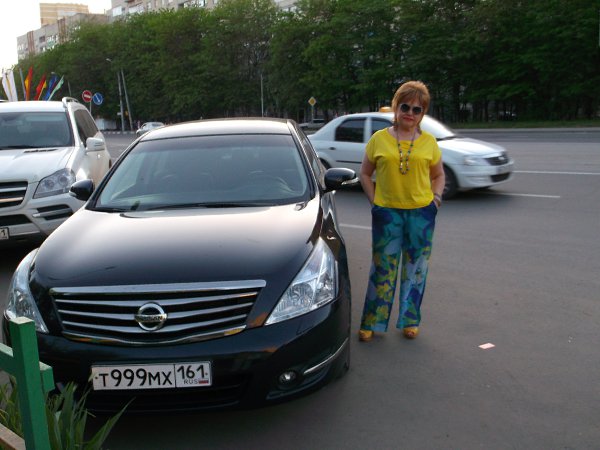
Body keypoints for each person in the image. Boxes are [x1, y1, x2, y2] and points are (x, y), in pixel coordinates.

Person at [358, 80, 445, 342]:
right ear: (396, 107)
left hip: (421, 214)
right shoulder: (379, 139)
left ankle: (410, 320)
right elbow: (365, 173)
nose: (410, 113)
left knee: (416, 268)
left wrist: (436, 200)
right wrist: (375, 202)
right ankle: (372, 322)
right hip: (388, 215)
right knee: (382, 269)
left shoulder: (429, 142)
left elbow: (439, 175)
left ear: (423, 113)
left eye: (417, 109)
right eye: (405, 106)